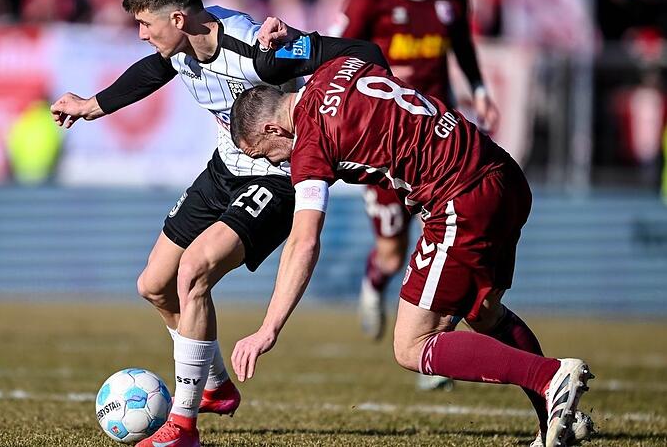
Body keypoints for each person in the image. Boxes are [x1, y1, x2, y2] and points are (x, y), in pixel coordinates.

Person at [50, 0, 379, 447]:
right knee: (155, 285)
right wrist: (90, 106)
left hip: (277, 175)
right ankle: (217, 385)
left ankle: (182, 428)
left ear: (178, 19)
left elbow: (363, 51)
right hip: (225, 169)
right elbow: (151, 73)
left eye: (145, 24)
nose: (141, 35)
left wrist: (298, 38)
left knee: (195, 271)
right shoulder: (178, 47)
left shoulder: (259, 53)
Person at [227, 48, 594, 447]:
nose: (274, 163)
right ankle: (556, 421)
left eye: (263, 154)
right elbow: (364, 52)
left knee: (411, 345)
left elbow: (304, 240)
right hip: (501, 173)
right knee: (484, 313)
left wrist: (269, 328)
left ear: (271, 129)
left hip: (459, 196)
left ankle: (550, 376)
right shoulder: (339, 65)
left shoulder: (310, 145)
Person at [331, 0, 500, 352]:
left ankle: (433, 348)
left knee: (447, 246)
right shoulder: (368, 0)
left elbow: (462, 49)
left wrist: (479, 90)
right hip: (385, 149)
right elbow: (334, 56)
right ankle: (374, 282)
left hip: (439, 146)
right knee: (391, 253)